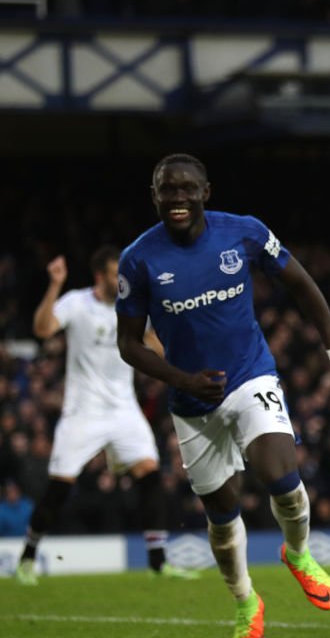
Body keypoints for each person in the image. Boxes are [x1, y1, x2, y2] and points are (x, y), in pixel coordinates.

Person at [116, 153, 330, 638]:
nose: (178, 198)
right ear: (155, 197)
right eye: (168, 190)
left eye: (188, 189)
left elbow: (302, 285)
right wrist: (183, 381)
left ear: (206, 192)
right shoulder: (139, 259)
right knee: (222, 516)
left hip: (251, 376)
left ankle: (298, 555)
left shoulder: (243, 233)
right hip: (192, 403)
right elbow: (128, 344)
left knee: (284, 479)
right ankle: (246, 600)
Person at [15, 248, 197, 585]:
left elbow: (156, 348)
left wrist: (165, 339)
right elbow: (42, 329)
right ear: (100, 276)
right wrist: (55, 284)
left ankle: (158, 563)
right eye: (116, 274)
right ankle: (27, 557)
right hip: (83, 412)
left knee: (150, 473)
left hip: (123, 409)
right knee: (60, 486)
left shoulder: (130, 306)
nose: (122, 279)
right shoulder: (76, 302)